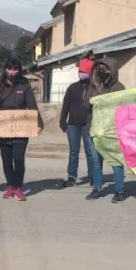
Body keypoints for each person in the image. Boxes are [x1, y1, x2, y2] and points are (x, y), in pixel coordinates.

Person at [0, 57, 43, 202]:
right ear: (5, 69)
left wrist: (38, 124)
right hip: (2, 129)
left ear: (19, 70)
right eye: (9, 68)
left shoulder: (24, 85)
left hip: (21, 127)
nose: (12, 72)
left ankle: (18, 187)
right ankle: (10, 186)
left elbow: (32, 106)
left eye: (15, 69)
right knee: (6, 160)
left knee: (18, 159)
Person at [83, 56, 128, 203]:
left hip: (112, 131)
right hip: (94, 129)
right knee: (96, 161)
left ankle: (119, 191)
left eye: (106, 69)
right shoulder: (94, 85)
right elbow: (85, 104)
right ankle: (97, 188)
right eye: (100, 68)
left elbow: (124, 108)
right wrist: (91, 103)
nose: (102, 71)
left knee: (116, 160)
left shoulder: (119, 88)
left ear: (112, 70)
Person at [59, 57, 96, 187]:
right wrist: (63, 121)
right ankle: (71, 176)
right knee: (73, 151)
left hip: (88, 125)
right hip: (73, 124)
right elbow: (65, 106)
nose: (82, 74)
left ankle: (93, 176)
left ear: (90, 73)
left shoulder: (94, 88)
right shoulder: (73, 88)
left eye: (85, 72)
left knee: (90, 152)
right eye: (80, 71)